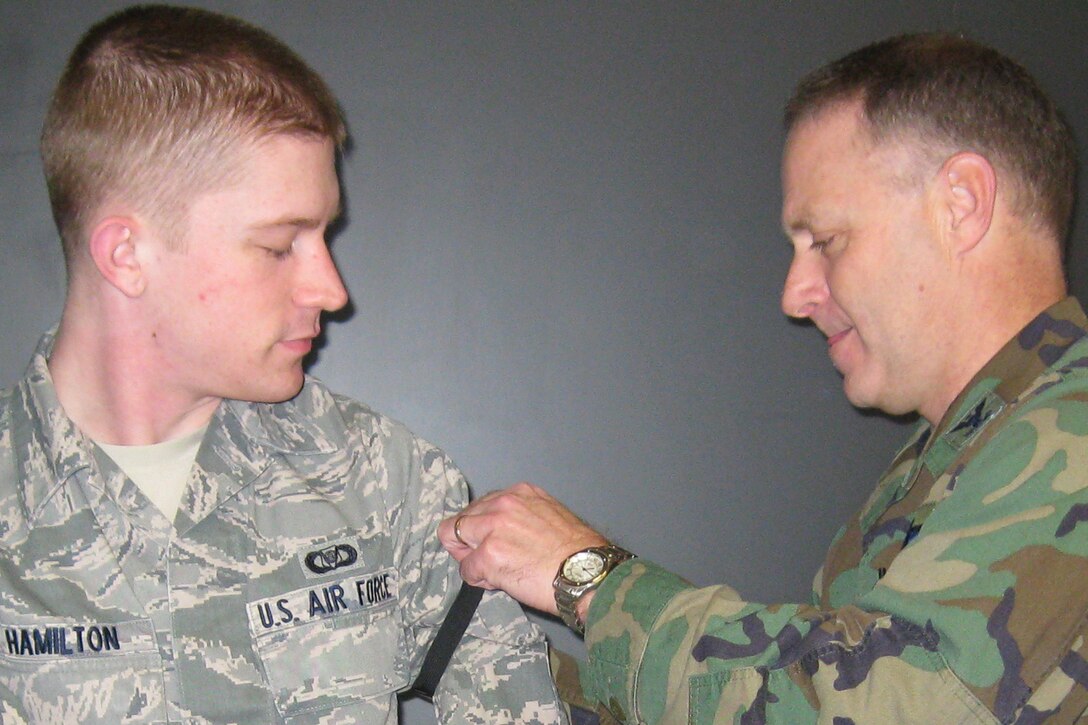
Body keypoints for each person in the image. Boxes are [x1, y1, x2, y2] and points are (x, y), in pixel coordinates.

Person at [441, 32, 1088, 723]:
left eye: (826, 241)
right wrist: (485, 658)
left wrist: (589, 577)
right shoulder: (958, 453)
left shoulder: (1070, 431)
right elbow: (782, 693)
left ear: (960, 202)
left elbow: (860, 708)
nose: (795, 293)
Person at [0, 5, 566, 724]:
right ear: (127, 254)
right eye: (279, 245)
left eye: (322, 235)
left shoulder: (381, 482)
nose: (331, 289)